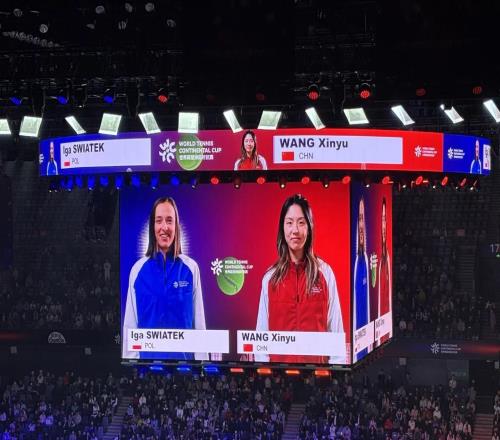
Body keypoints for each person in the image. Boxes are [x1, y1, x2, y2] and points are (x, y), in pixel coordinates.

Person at [256, 194, 345, 364]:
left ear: (309, 227)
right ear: (282, 228)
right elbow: (261, 337)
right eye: (289, 222)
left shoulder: (325, 273)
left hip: (318, 374)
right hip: (278, 374)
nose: (295, 230)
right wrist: (267, 373)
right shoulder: (270, 278)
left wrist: (335, 373)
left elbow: (336, 333)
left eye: (301, 222)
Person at [122, 197, 207, 360]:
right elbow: (130, 327)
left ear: (176, 226)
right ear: (152, 227)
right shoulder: (137, 271)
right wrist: (134, 366)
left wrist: (201, 366)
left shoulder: (191, 269)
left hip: (185, 369)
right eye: (159, 220)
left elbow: (199, 326)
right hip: (147, 369)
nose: (164, 227)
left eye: (169, 220)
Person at [353, 197, 370, 361]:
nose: (361, 225)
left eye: (363, 219)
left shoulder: (366, 260)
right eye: (359, 219)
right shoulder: (355, 264)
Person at [378, 197, 392, 343]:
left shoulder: (387, 256)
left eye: (384, 220)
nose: (383, 225)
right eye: (381, 220)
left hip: (384, 329)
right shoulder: (376, 258)